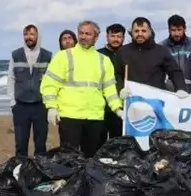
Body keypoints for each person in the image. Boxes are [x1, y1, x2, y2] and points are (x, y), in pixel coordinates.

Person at [40, 20, 123, 157]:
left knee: (90, 159)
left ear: (96, 37)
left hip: (95, 118)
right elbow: (49, 83)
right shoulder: (63, 56)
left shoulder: (103, 60)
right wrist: (51, 107)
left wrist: (117, 108)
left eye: (88, 34)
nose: (83, 37)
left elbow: (109, 89)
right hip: (69, 116)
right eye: (81, 33)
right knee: (68, 159)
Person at [8, 24, 51, 157]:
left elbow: (52, 81)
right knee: (20, 145)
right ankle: (21, 171)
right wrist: (12, 102)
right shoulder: (16, 55)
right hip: (21, 106)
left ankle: (40, 172)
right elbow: (11, 79)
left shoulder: (47, 55)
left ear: (38, 36)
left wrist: (50, 103)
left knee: (40, 144)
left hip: (41, 106)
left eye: (32, 34)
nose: (29, 37)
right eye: (26, 34)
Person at [121, 17, 189, 93]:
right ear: (132, 32)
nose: (140, 34)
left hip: (156, 99)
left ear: (150, 31)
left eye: (143, 31)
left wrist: (181, 88)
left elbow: (174, 72)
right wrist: (121, 89)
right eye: (136, 31)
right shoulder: (123, 51)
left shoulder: (161, 51)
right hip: (132, 99)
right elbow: (117, 75)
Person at [98, 23, 127, 141]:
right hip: (102, 106)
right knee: (99, 141)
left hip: (121, 106)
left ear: (123, 38)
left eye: (119, 36)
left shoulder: (128, 54)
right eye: (113, 36)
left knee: (118, 141)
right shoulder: (98, 54)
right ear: (107, 37)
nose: (116, 39)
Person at [162, 15, 191, 91]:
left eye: (179, 30)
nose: (176, 34)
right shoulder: (162, 47)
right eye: (173, 30)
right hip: (170, 92)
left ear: (185, 29)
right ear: (169, 30)